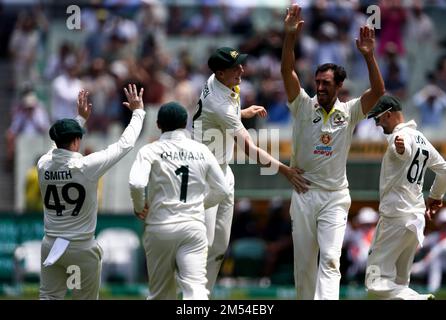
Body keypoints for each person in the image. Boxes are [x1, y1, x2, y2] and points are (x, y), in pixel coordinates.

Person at [281, 4, 385, 300]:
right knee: (304, 266)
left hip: (335, 196)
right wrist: (289, 36)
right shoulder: (302, 105)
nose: (320, 88)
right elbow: (286, 70)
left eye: (326, 84)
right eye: (318, 82)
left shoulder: (349, 112)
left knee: (330, 259)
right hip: (303, 194)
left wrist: (369, 55)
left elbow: (378, 93)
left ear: (339, 85)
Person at [192, 46, 306, 295]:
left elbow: (218, 116)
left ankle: (204, 295)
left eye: (241, 64)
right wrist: (285, 170)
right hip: (204, 177)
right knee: (203, 245)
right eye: (235, 67)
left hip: (223, 172)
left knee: (220, 247)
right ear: (221, 73)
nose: (242, 69)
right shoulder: (220, 101)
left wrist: (242, 113)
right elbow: (249, 150)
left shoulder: (220, 83)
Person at [38, 84, 146, 300]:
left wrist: (79, 119)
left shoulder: (43, 164)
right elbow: (125, 145)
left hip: (51, 244)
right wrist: (138, 112)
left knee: (49, 297)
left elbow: (55, 148)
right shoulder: (86, 167)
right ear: (77, 141)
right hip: (81, 247)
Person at [129, 102, 229, 300]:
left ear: (158, 124)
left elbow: (137, 183)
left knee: (160, 294)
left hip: (160, 227)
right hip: (193, 227)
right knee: (196, 289)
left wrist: (139, 207)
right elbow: (223, 190)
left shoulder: (150, 150)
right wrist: (200, 205)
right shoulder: (202, 151)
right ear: (186, 123)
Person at [364, 95, 446, 300]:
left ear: (388, 115)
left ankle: (415, 298)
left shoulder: (398, 138)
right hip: (416, 220)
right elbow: (445, 171)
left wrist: (401, 149)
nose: (377, 124)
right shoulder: (421, 137)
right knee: (399, 282)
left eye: (378, 119)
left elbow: (402, 149)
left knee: (374, 282)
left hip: (395, 218)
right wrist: (435, 197)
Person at [411, 208, 446, 293]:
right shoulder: (435, 236)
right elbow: (422, 243)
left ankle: (433, 289)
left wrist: (427, 259)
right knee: (435, 262)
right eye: (444, 223)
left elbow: (441, 248)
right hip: (431, 265)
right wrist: (414, 248)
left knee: (436, 256)